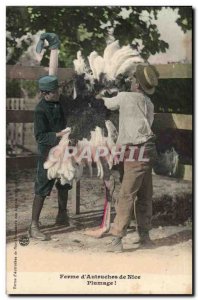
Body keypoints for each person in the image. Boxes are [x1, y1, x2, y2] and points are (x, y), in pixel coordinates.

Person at [97, 64, 159, 252]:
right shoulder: (149, 102)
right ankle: (145, 235)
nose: (130, 80)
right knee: (145, 192)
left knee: (126, 193)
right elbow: (149, 123)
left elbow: (108, 104)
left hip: (135, 150)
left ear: (137, 84)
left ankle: (117, 237)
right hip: (148, 148)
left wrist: (99, 95)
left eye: (133, 79)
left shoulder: (124, 97)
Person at [29, 75, 72, 241]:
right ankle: (33, 225)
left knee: (64, 182)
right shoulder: (40, 110)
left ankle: (62, 215)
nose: (57, 93)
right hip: (48, 154)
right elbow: (40, 136)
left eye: (58, 90)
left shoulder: (61, 103)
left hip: (64, 149)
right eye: (54, 92)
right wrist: (59, 135)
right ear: (44, 94)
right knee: (42, 187)